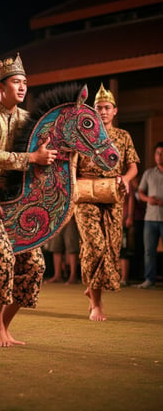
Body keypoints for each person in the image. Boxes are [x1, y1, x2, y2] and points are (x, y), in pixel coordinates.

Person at [0, 53, 58, 347]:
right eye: (16, 81)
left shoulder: (29, 120)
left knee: (35, 264)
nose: (22, 87)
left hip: (13, 197)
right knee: (2, 257)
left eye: (25, 82)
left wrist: (48, 156)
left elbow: (41, 159)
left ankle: (4, 325)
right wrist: (32, 157)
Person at [74, 83, 139, 321]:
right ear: (93, 111)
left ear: (115, 111)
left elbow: (132, 166)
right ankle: (96, 304)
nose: (102, 111)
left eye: (106, 107)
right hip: (85, 196)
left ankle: (92, 288)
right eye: (98, 107)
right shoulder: (83, 136)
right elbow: (70, 165)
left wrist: (125, 178)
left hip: (112, 195)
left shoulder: (123, 137)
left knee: (111, 248)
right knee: (94, 246)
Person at [136, 141, 163, 289]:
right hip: (150, 218)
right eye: (157, 153)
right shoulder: (148, 173)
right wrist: (149, 199)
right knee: (149, 251)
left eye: (162, 153)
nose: (160, 156)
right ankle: (149, 279)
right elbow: (140, 193)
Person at [44, 215, 80, 284]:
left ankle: (73, 276)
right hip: (57, 219)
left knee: (72, 246)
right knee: (56, 247)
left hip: (70, 218)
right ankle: (57, 275)